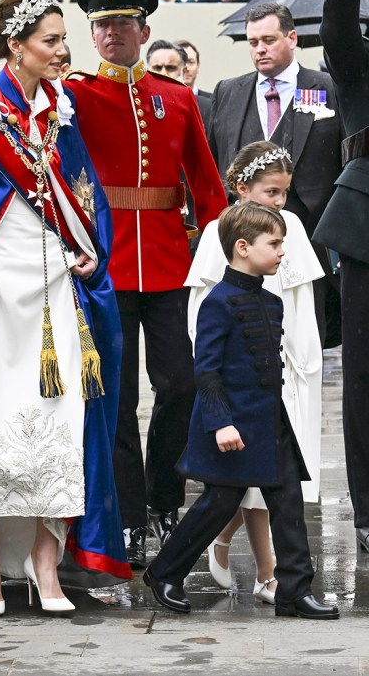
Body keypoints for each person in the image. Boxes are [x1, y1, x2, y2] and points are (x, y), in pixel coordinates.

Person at [0, 0, 132, 616]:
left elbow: (82, 188)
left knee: (61, 426)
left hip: (56, 280)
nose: (64, 51)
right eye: (52, 41)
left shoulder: (63, 109)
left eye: (64, 39)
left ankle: (46, 564)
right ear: (14, 45)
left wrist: (93, 248)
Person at [67, 0, 228, 567]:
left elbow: (207, 187)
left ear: (144, 30)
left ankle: (164, 499)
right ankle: (129, 517)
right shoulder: (74, 95)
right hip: (102, 265)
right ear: (92, 34)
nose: (112, 34)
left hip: (167, 263)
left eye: (122, 24)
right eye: (102, 26)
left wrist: (222, 255)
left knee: (180, 386)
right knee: (115, 399)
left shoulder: (178, 97)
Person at [143, 202, 339, 621]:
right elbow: (207, 370)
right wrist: (221, 423)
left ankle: (294, 590)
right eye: (275, 243)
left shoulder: (271, 302)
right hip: (231, 425)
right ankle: (164, 573)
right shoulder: (218, 301)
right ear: (244, 247)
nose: (283, 252)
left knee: (288, 503)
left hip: (270, 423)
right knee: (218, 503)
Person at [186, 141, 324, 603]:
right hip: (241, 374)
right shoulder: (218, 231)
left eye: (284, 193)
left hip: (287, 368)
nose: (279, 203)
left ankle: (269, 570)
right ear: (242, 187)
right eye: (270, 192)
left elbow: (302, 298)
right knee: (242, 479)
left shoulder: (295, 229)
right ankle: (266, 571)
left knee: (279, 481)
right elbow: (203, 308)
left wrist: (306, 358)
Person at [208, 1, 343, 348]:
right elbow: (213, 162)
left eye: (268, 39)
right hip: (242, 246)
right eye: (253, 42)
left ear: (292, 37)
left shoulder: (329, 88)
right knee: (245, 345)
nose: (260, 49)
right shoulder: (228, 91)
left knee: (307, 342)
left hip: (311, 240)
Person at [314, 0, 369, 553]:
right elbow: (338, 36)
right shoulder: (359, 67)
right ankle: (366, 506)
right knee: (363, 376)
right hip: (365, 225)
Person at [175, 39, 211, 130]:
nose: (186, 68)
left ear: (198, 65)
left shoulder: (213, 101)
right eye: (181, 62)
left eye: (191, 62)